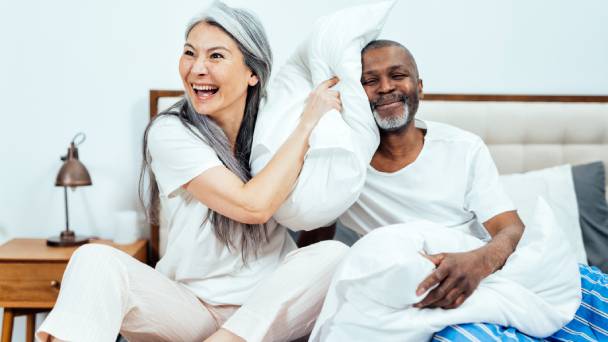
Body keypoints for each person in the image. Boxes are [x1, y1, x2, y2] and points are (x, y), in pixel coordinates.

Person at [36, 3, 348, 342]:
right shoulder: (170, 132)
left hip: (261, 308)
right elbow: (252, 206)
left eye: (215, 56)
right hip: (189, 309)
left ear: (252, 73)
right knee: (93, 258)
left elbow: (318, 202)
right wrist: (307, 124)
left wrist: (312, 120)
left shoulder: (276, 125)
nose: (197, 68)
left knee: (336, 256)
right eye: (189, 53)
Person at [303, 40, 582, 340]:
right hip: (408, 290)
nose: (385, 87)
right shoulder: (343, 165)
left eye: (397, 75)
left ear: (419, 87)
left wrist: (478, 262)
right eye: (370, 81)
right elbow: (314, 244)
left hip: (483, 274)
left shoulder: (463, 147)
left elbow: (512, 230)